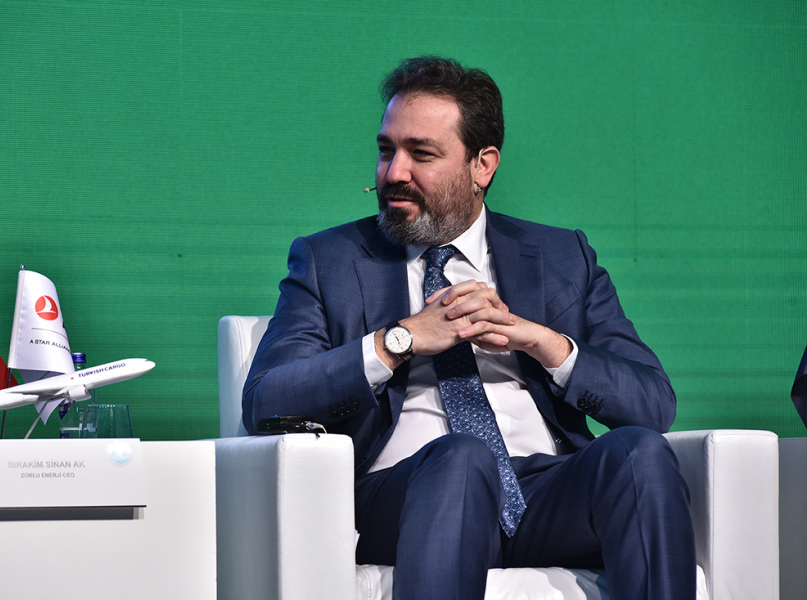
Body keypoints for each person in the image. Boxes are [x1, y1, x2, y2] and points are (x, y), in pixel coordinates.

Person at [243, 56, 695, 600]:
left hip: (543, 494)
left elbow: (653, 405)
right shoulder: (330, 260)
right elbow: (266, 401)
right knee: (461, 457)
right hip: (408, 495)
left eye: (421, 154)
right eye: (387, 150)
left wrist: (545, 344)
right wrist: (399, 341)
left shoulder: (562, 257)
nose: (394, 173)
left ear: (483, 166)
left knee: (638, 452)